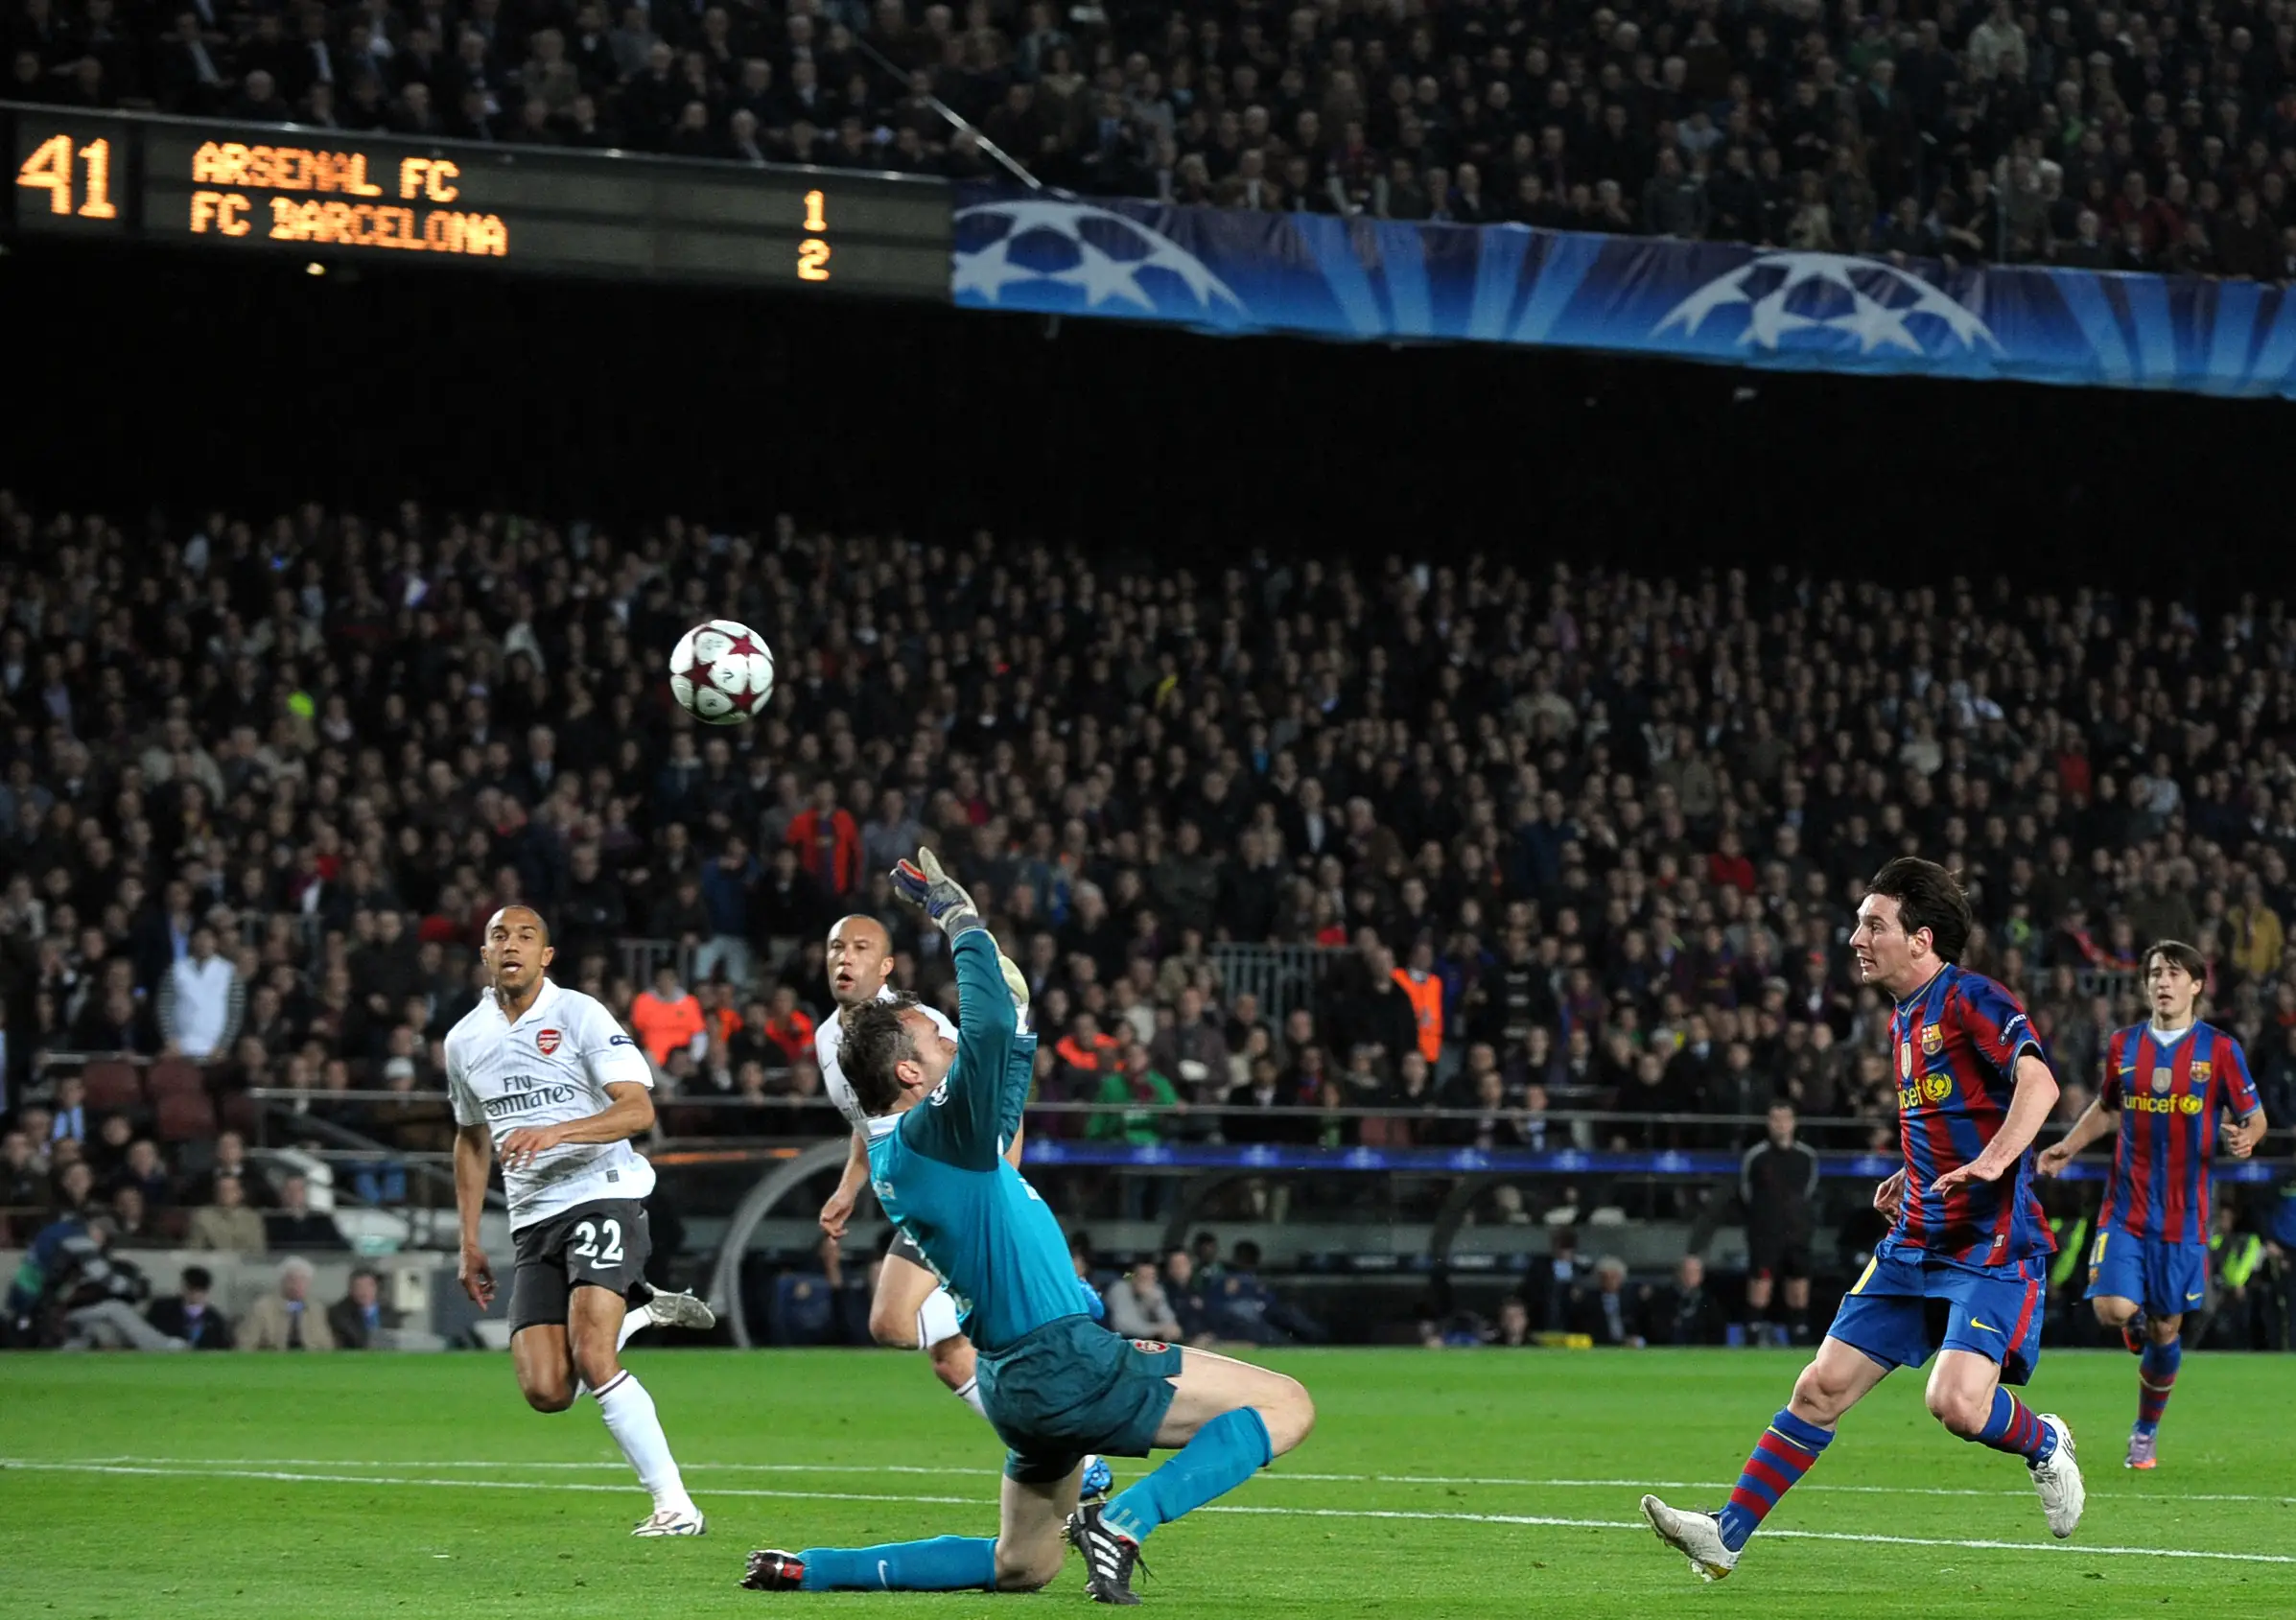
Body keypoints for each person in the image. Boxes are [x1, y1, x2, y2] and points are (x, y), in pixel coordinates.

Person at [745, 851, 1315, 1603]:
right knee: (1288, 1404)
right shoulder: (935, 1135)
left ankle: (812, 1568)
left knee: (1022, 1566)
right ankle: (1126, 1519)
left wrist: (1018, 1026)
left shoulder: (911, 1147)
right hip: (1065, 1359)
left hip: (1014, 1384)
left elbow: (998, 1086)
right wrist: (961, 919)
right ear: (911, 1075)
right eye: (934, 1041)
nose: (948, 1043)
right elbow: (978, 1040)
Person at [1642, 858, 2083, 1581]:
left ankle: (2044, 1441)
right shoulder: (1901, 1018)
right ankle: (1726, 1535)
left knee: (1955, 1404)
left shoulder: (1973, 997)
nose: (1857, 936)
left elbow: (2039, 1080)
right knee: (1818, 1387)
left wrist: (1997, 1160)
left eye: (1873, 923)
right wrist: (1911, 1173)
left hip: (1990, 1244)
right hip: (1915, 1238)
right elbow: (1947, 1117)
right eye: (1859, 922)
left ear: (1921, 938)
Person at [811, 912, 1114, 1501]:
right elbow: (867, 1115)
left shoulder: (919, 1024)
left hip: (958, 1178)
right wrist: (849, 1185)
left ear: (886, 964)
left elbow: (983, 1091)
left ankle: (1073, 1425)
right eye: (835, 946)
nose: (844, 957)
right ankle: (1054, 1317)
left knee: (896, 1324)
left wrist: (997, 1178)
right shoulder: (835, 1037)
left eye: (860, 947)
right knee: (940, 1355)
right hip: (919, 1180)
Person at [448, 904, 715, 1538]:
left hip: (603, 1193)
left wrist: (557, 1131)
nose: (510, 944)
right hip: (532, 1218)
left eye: (526, 935)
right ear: (485, 953)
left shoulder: (579, 1014)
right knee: (547, 1389)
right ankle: (642, 1308)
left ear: (547, 955)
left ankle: (676, 1505)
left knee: (593, 1355)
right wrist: (466, 1241)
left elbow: (637, 1109)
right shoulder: (464, 1040)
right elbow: (470, 1138)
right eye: (498, 935)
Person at [2037, 939, 2265, 1469]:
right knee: (2110, 1307)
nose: (2163, 982)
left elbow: (2254, 1116)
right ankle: (2129, 1321)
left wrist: (2247, 1136)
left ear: (2196, 985)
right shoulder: (2123, 1046)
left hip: (2185, 1218)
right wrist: (2068, 1146)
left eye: (2174, 973)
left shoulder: (2220, 1051)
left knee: (2166, 1330)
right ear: (2145, 986)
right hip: (2126, 1207)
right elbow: (2107, 1107)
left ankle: (2145, 1429)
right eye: (2155, 974)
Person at [1740, 1100, 1821, 1344]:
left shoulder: (1806, 1157)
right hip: (1765, 1234)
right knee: (1760, 1283)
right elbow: (1747, 1193)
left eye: (1785, 1119)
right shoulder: (1756, 1157)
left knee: (1798, 1285)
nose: (1781, 1125)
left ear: (1793, 1123)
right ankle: (1752, 1334)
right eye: (1776, 1119)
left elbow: (1809, 1191)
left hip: (1797, 1233)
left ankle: (1798, 1335)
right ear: (1768, 1123)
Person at [239, 1256, 339, 1350]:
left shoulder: (316, 1309)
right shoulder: (262, 1308)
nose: (297, 1285)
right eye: (292, 1280)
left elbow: (327, 1345)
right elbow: (246, 1344)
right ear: (282, 1281)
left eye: (303, 1280)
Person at [147, 1263, 235, 1349]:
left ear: (206, 1291)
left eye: (199, 1290)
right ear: (183, 1287)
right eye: (191, 1289)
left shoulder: (215, 1320)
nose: (194, 1294)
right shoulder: (162, 1310)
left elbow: (223, 1348)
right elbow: (148, 1335)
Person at [328, 1265, 408, 1349]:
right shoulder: (340, 1314)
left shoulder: (391, 1313)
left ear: (377, 1287)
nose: (364, 1291)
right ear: (351, 1290)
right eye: (358, 1287)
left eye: (368, 1286)